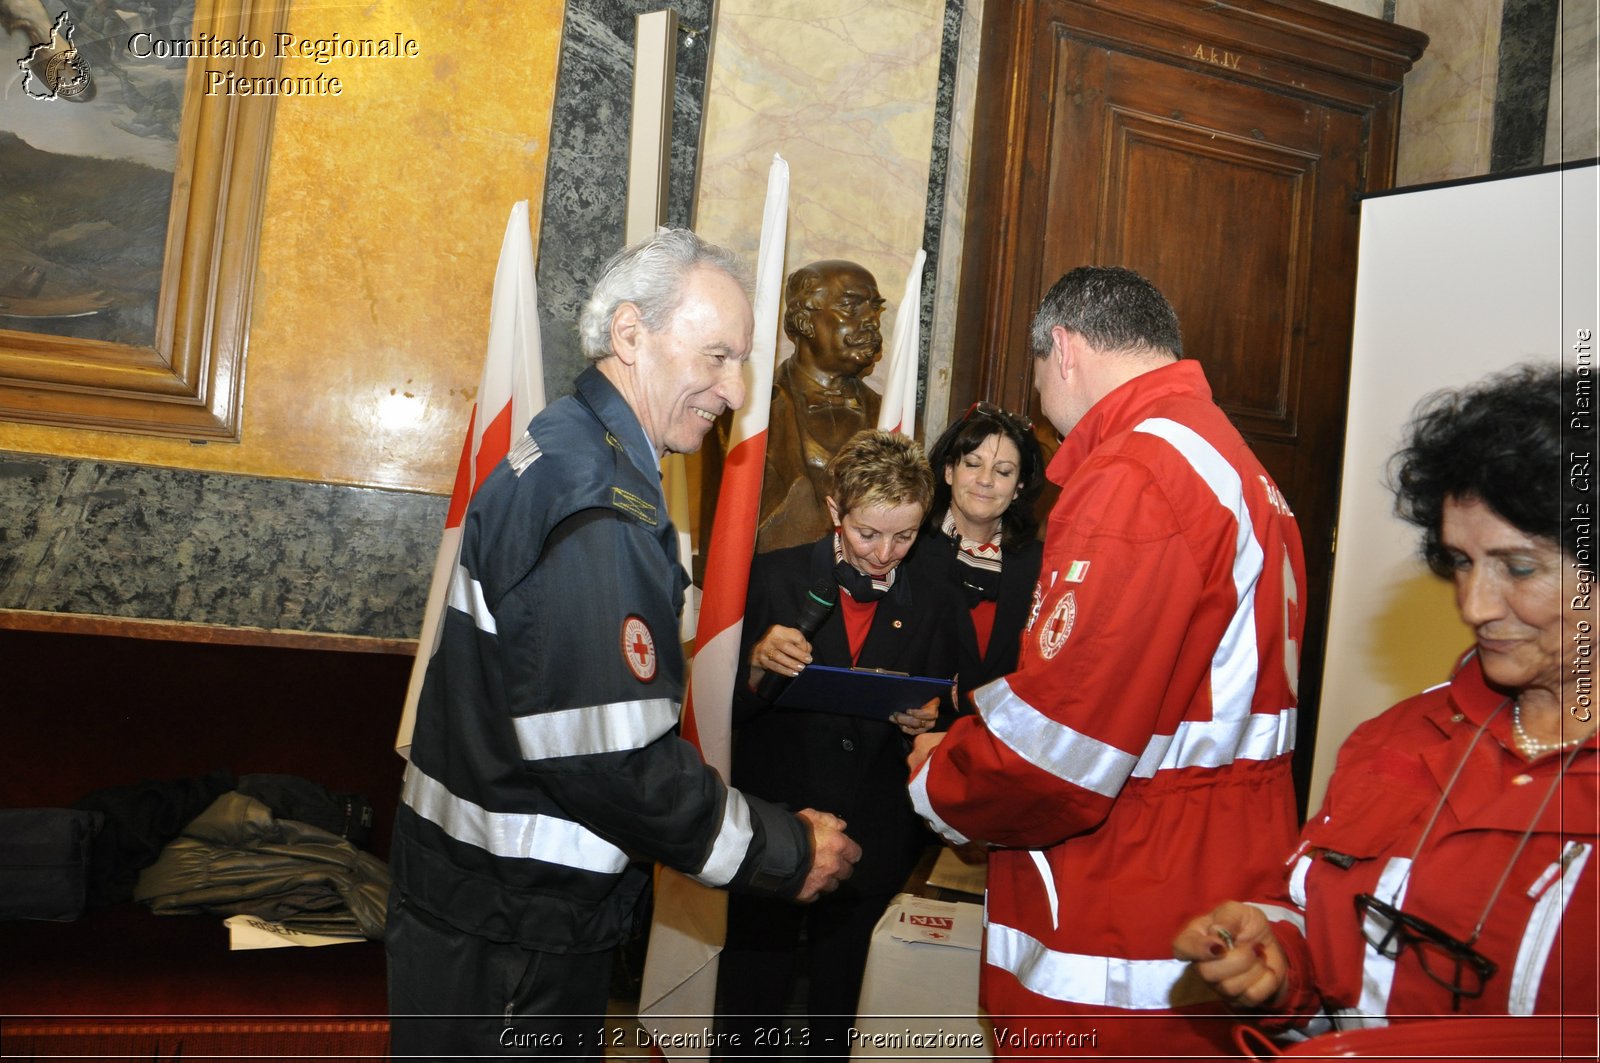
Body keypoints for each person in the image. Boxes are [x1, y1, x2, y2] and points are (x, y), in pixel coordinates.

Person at [386, 229, 861, 1060]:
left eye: (742, 361)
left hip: (486, 908)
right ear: (631, 335)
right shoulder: (600, 505)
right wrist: (786, 851)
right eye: (716, 357)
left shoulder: (572, 442)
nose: (736, 389)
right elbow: (615, 761)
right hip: (513, 933)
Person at [906, 266, 1306, 1055]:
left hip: (1128, 906)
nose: (1043, 408)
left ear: (1062, 347)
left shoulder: (1136, 473)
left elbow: (1064, 745)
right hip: (1216, 872)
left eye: (1035, 372)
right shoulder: (1232, 461)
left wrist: (939, 775)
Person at [1173, 363, 1597, 1037]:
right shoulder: (1397, 741)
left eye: (1518, 567)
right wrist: (1275, 961)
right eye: (1460, 560)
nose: (1474, 605)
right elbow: (1320, 929)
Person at [718, 429, 963, 1058]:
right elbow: (717, 711)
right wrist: (754, 664)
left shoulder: (935, 599)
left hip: (875, 828)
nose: (885, 553)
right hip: (774, 818)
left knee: (841, 1005)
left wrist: (931, 721)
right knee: (751, 1000)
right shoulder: (770, 577)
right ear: (835, 511)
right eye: (868, 533)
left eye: (905, 536)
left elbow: (958, 705)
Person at [757, 260, 886, 553]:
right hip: (771, 588)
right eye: (851, 307)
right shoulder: (749, 416)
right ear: (804, 321)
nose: (871, 320)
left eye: (874, 308)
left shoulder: (892, 419)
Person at [923, 401, 1046, 692]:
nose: (985, 480)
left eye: (1003, 472)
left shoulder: (1041, 566)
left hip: (996, 732)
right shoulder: (907, 549)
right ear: (950, 471)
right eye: (973, 464)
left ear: (1019, 487)